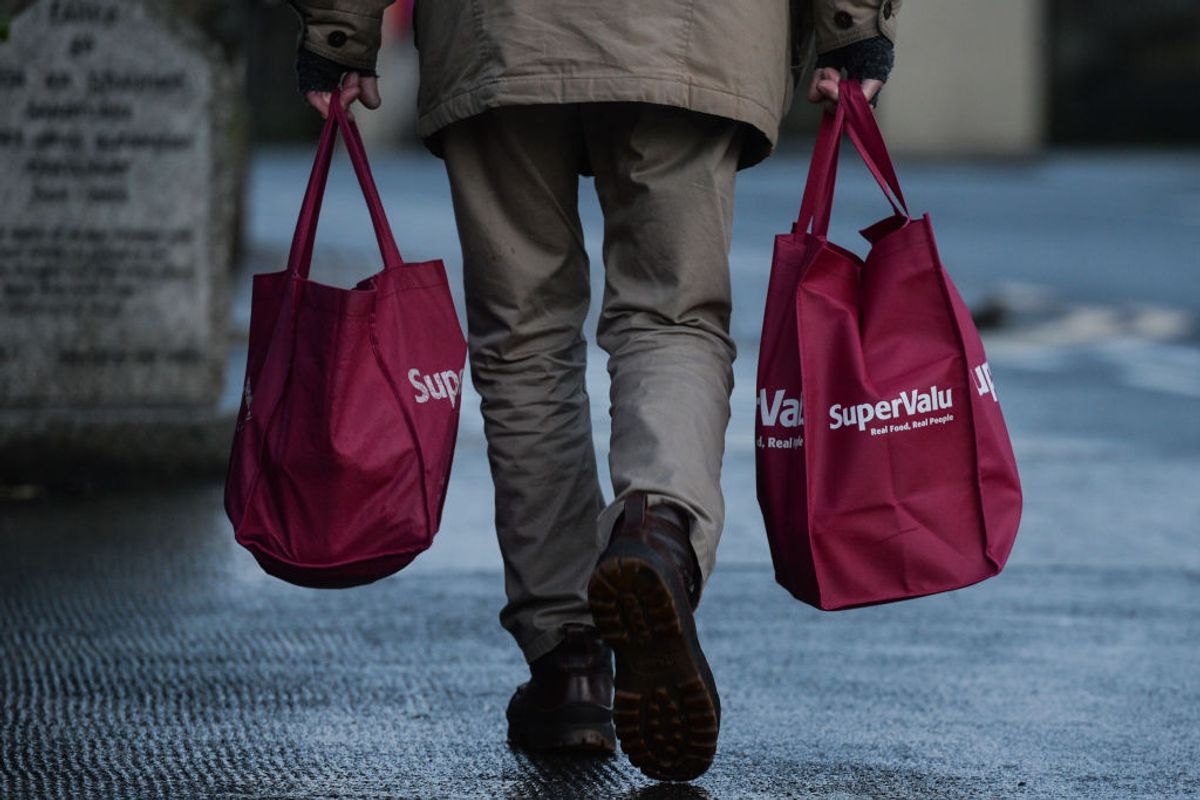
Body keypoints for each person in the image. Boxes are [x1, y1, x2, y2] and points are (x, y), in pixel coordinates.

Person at [289, 0, 899, 782]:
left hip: (498, 31)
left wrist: (339, 33)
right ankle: (658, 531)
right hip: (694, 29)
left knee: (525, 340)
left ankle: (569, 663)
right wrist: (853, 26)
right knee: (671, 314)